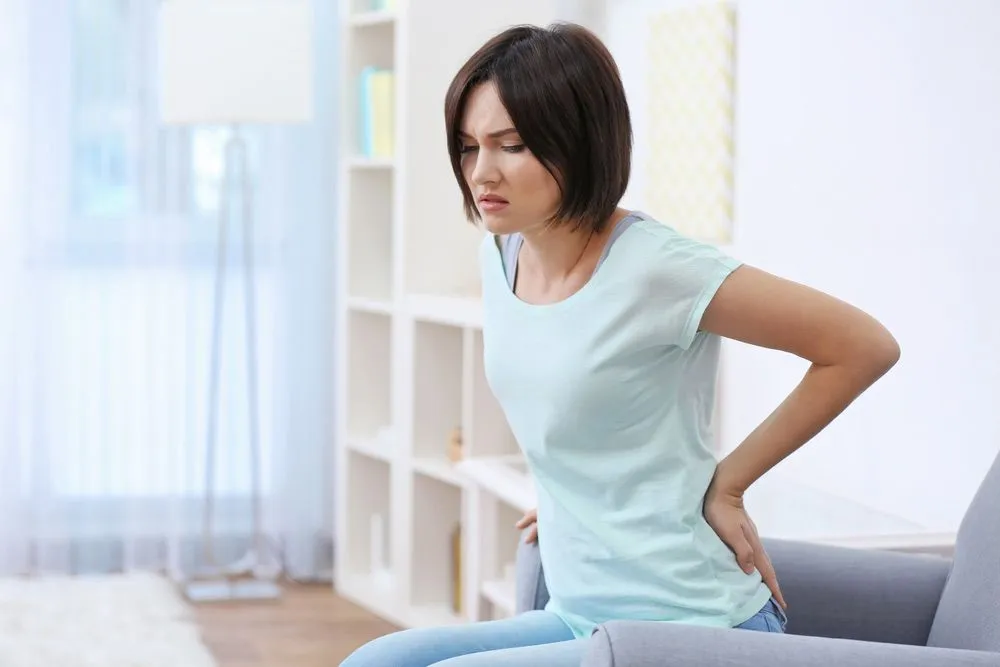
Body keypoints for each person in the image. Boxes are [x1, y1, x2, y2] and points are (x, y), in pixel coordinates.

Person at [341, 21, 899, 667]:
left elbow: (862, 345)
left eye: (511, 144)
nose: (481, 172)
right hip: (582, 614)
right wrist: (565, 491)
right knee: (376, 662)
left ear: (577, 143)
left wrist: (729, 486)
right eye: (468, 147)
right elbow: (578, 402)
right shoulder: (501, 257)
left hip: (692, 623)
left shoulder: (657, 267)